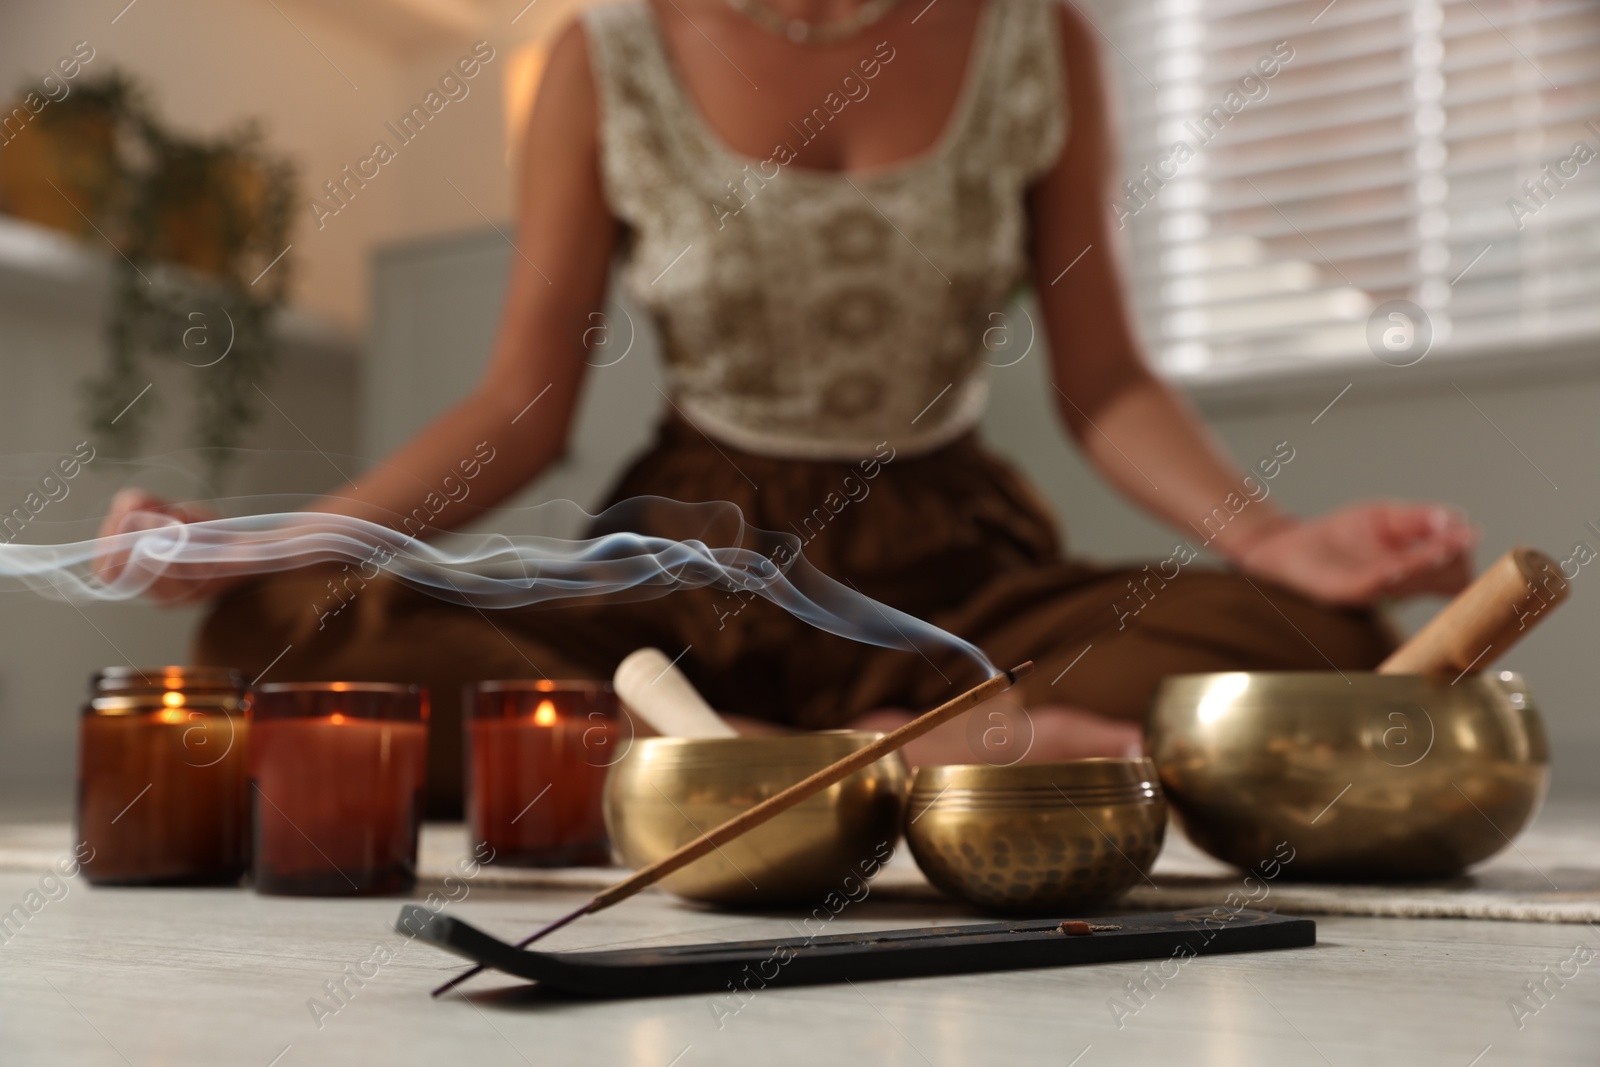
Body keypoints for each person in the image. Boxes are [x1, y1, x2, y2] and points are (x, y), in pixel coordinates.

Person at [99, 0, 1474, 816]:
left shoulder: (1031, 36)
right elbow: (521, 407)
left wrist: (1276, 539)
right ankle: (845, 760)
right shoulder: (606, 50)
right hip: (679, 568)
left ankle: (754, 770)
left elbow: (1103, 382)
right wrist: (282, 540)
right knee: (268, 632)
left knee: (1322, 637)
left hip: (951, 574)